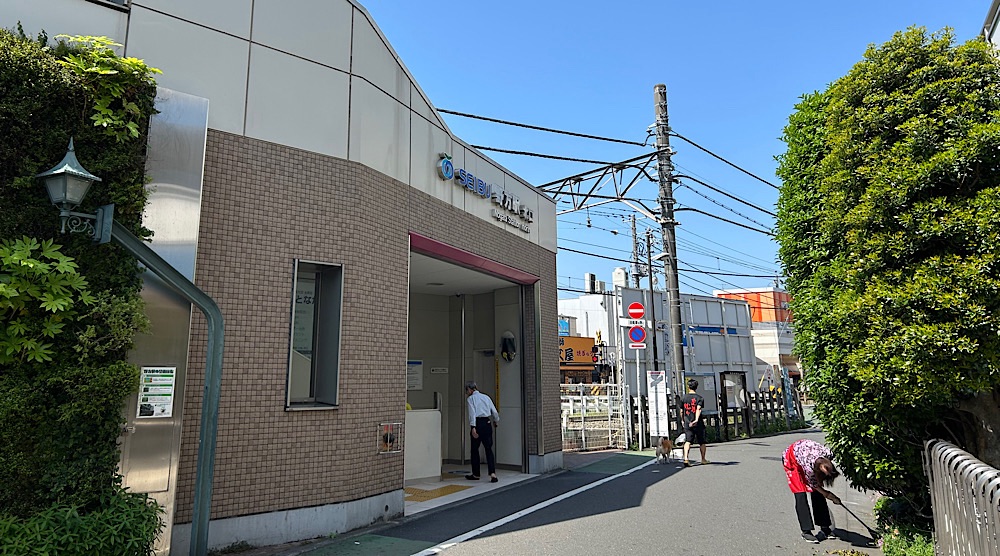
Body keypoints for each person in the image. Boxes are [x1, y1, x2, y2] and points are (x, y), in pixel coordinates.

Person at [782, 439, 843, 543]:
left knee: (817, 493)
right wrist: (830, 496)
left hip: (805, 452)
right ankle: (806, 531)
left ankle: (825, 527)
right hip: (792, 461)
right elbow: (813, 485)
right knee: (800, 494)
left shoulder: (828, 454)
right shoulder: (809, 467)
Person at [465, 381, 500, 483]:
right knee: (488, 449)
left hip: (478, 423)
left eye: (467, 390)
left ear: (470, 389)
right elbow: (494, 411)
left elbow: (472, 414)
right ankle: (493, 473)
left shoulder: (470, 399)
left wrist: (473, 427)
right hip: (487, 422)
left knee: (475, 449)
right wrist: (496, 421)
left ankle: (476, 474)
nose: (467, 392)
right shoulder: (486, 397)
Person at [680, 378, 709, 466]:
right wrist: (696, 419)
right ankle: (703, 459)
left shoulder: (684, 398)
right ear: (696, 387)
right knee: (702, 441)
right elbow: (698, 409)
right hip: (698, 423)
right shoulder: (699, 398)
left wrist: (682, 420)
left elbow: (681, 411)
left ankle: (685, 459)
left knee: (688, 441)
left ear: (688, 387)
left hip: (687, 422)